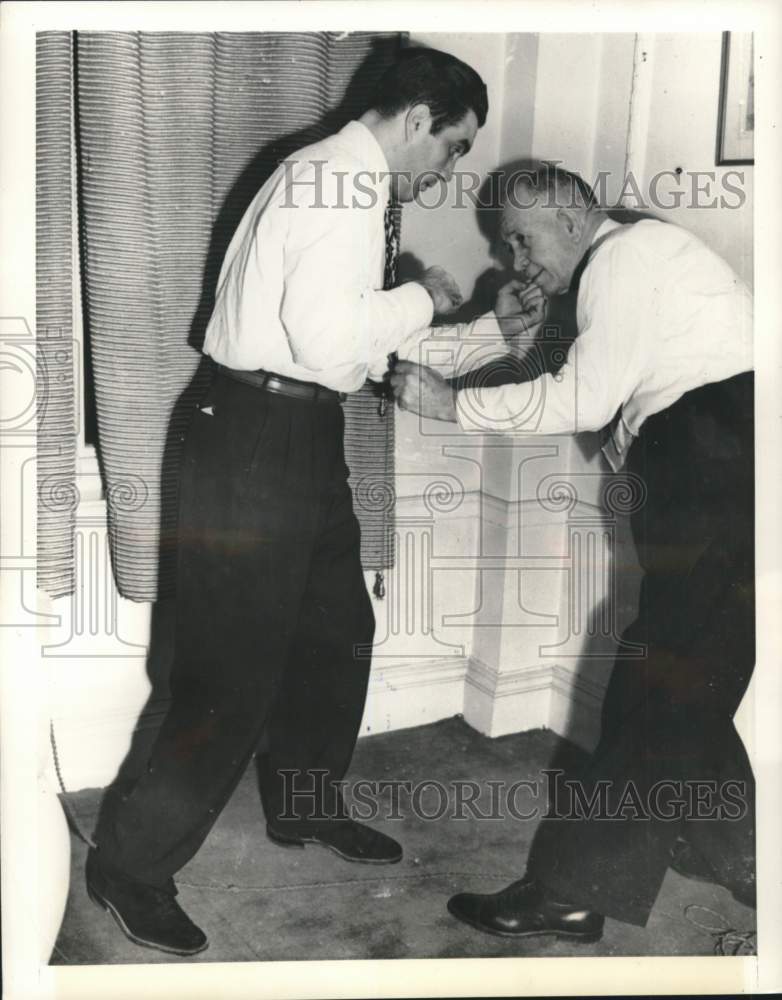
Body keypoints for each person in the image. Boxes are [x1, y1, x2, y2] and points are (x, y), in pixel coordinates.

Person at [86, 47, 495, 957]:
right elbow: (323, 332)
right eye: (455, 147)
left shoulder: (337, 178)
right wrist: (423, 298)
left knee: (333, 630)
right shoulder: (338, 184)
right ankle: (131, 867)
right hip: (254, 434)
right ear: (420, 117)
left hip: (297, 431)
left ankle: (303, 806)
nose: (449, 171)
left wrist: (412, 341)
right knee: (229, 673)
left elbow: (326, 342)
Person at [391, 162, 754, 940]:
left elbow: (582, 401)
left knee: (659, 683)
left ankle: (570, 892)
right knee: (685, 674)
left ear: (571, 216)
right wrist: (512, 334)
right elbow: (605, 403)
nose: (518, 262)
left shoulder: (621, 260)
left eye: (523, 240)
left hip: (717, 465)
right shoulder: (633, 262)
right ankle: (745, 857)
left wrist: (450, 405)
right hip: (722, 462)